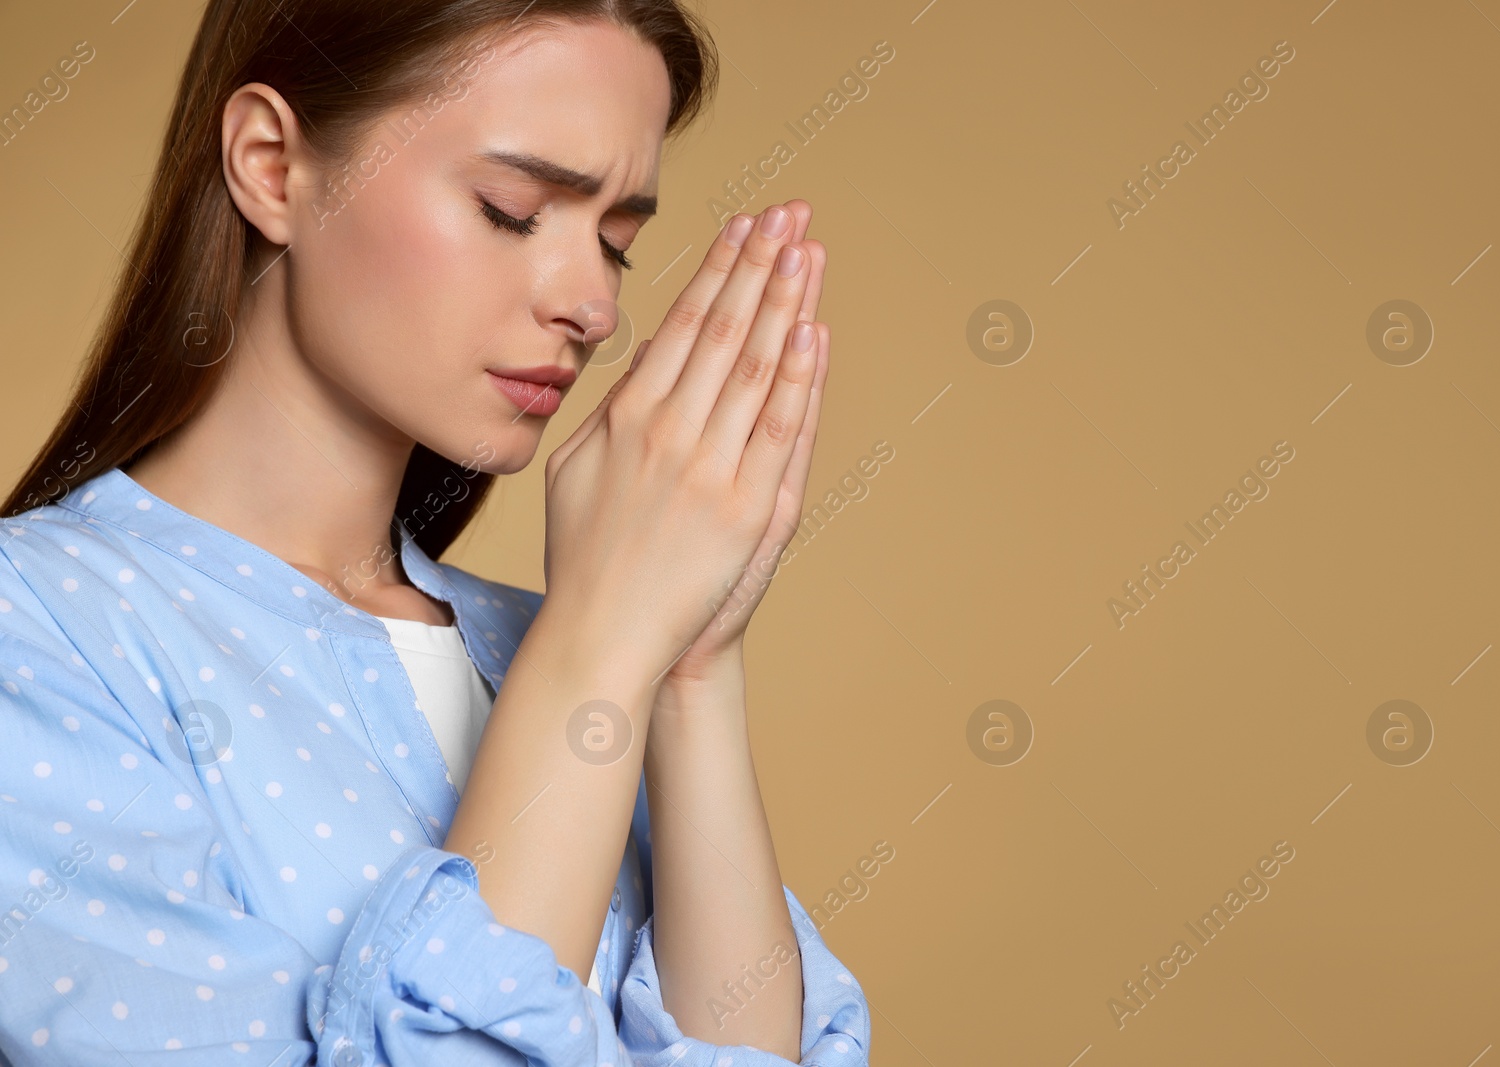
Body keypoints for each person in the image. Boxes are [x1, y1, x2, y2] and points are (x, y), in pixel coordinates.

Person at [0, 1, 868, 1064]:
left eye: (616, 244)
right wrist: (599, 642)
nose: (593, 304)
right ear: (272, 167)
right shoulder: (39, 637)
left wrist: (691, 664)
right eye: (512, 209)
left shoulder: (563, 648)